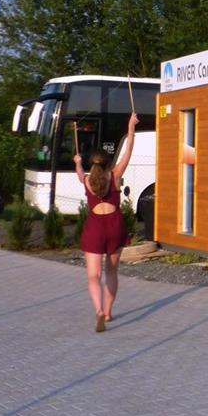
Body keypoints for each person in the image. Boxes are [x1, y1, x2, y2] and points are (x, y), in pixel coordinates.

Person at [73, 112, 137, 332]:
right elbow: (128, 151)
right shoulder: (115, 175)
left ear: (92, 164)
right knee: (111, 272)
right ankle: (108, 313)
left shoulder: (87, 180)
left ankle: (99, 310)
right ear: (108, 163)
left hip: (95, 227)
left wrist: (77, 163)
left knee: (94, 275)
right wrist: (130, 126)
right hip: (115, 225)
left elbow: (79, 174)